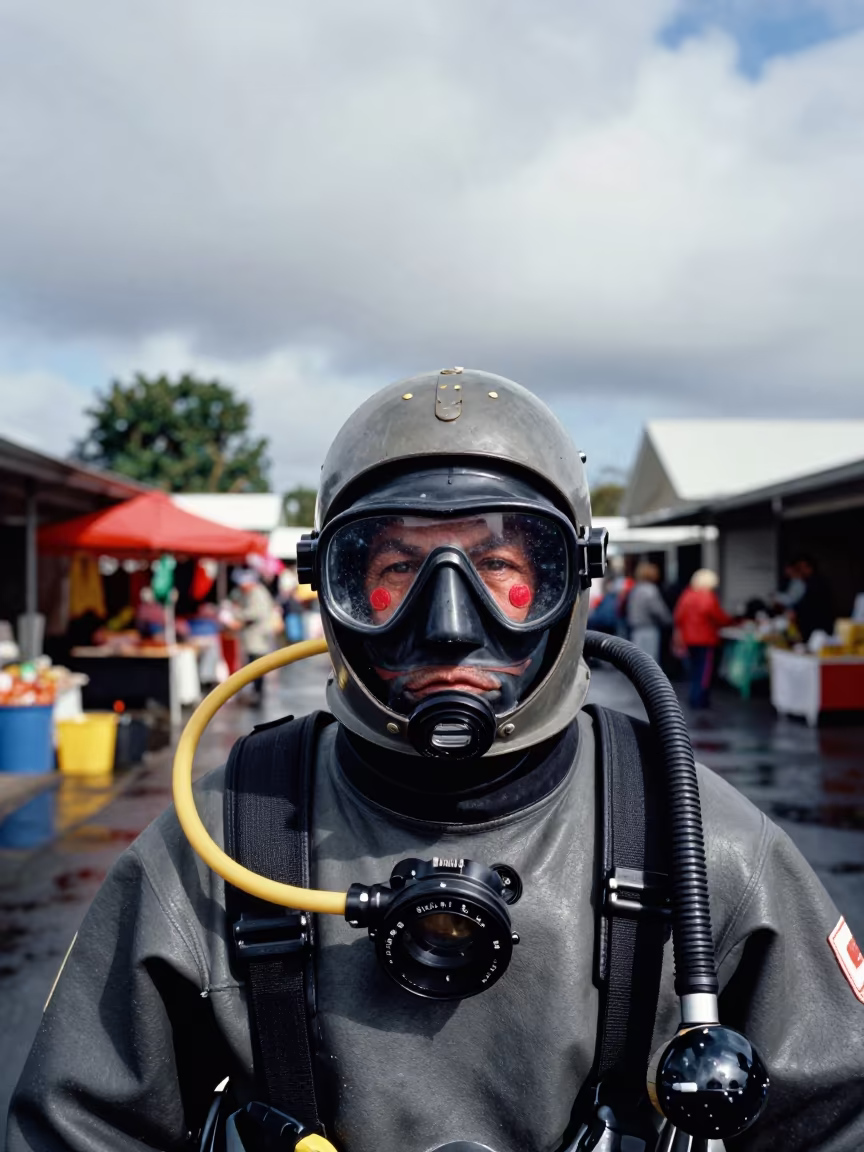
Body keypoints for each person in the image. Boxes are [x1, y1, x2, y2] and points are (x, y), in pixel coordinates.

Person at [8, 370, 864, 1152]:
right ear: (329, 587)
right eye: (394, 571)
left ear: (575, 580)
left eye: (498, 566)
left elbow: (836, 1119)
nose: (450, 621)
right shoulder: (220, 847)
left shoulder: (701, 842)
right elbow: (77, 1130)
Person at [673, 569, 733, 709]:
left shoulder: (687, 595)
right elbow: (718, 617)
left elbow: (678, 617)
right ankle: (700, 699)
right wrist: (732, 621)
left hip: (688, 639)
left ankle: (694, 697)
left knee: (695, 670)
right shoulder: (708, 596)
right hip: (705, 639)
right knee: (704, 671)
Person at [233, 568, 277, 704]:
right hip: (255, 636)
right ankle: (256, 692)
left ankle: (257, 693)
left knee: (257, 665)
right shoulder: (254, 592)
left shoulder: (257, 593)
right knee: (255, 663)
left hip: (258, 636)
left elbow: (255, 613)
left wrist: (237, 615)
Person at [626, 561, 671, 664]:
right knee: (650, 661)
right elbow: (657, 610)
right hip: (648, 627)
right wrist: (668, 620)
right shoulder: (650, 589)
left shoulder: (636, 588)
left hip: (636, 628)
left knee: (639, 659)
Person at [788, 555, 835, 642]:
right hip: (814, 624)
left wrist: (795, 610)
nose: (800, 570)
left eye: (801, 567)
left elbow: (809, 602)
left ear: (809, 567)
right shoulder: (807, 582)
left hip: (818, 624)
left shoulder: (817, 582)